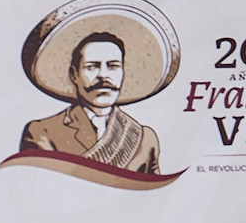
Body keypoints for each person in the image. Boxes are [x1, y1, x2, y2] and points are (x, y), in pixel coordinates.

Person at [19, 31, 162, 172]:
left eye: (113, 66)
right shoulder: (43, 132)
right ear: (74, 75)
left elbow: (156, 193)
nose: (103, 76)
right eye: (91, 67)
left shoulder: (143, 137)